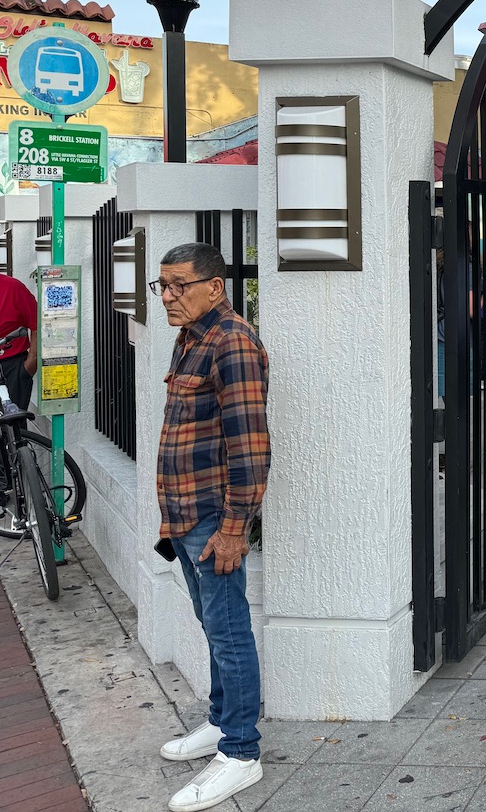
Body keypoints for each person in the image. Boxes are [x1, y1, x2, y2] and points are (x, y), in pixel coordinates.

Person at [152, 243, 269, 811]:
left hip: (212, 518)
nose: (168, 296)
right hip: (185, 514)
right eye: (162, 286)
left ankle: (242, 753)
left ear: (215, 286)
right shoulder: (191, 337)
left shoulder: (232, 342)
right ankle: (223, 723)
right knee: (210, 621)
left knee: (228, 629)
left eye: (179, 285)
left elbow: (250, 449)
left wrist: (234, 528)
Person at [0, 271, 37, 409]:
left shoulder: (13, 287)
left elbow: (38, 324)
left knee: (13, 424)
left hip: (12, 366)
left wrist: (31, 363)